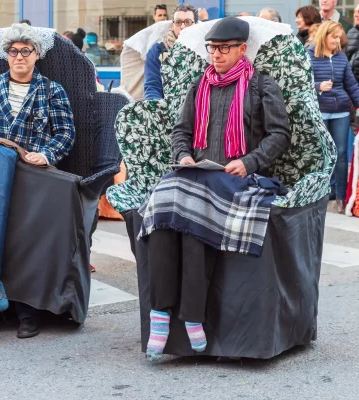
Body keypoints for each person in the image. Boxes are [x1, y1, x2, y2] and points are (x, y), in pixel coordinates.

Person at [146, 17, 291, 359]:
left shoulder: (261, 86)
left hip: (238, 177)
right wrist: (183, 156)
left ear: (242, 49)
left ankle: (193, 315)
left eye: (225, 48)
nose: (216, 55)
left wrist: (249, 161)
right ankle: (160, 313)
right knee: (162, 206)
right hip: (198, 173)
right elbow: (181, 131)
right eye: (213, 48)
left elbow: (279, 135)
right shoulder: (201, 85)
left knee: (192, 209)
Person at [0, 23, 75, 338]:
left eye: (26, 51)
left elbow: (66, 133)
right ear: (6, 55)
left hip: (31, 175)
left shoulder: (52, 90)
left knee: (26, 234)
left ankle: (27, 310)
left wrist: (46, 154)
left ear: (36, 54)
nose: (19, 56)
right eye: (13, 51)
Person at [309, 21, 359, 213]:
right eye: (334, 37)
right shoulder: (309, 56)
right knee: (321, 153)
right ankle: (319, 194)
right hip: (320, 110)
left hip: (341, 111)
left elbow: (352, 85)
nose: (337, 41)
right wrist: (317, 87)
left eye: (339, 37)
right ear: (324, 36)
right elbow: (302, 84)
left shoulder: (341, 57)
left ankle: (339, 197)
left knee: (340, 154)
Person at [144, 4, 198, 100]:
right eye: (178, 22)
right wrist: (159, 109)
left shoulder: (206, 51)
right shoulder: (158, 51)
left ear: (196, 24)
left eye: (188, 22)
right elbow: (152, 87)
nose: (182, 27)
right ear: (172, 25)